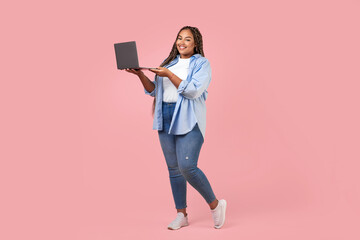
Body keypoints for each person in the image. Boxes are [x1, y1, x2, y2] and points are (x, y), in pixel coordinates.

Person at [122, 26, 227, 230]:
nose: (182, 42)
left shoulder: (202, 64)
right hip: (166, 116)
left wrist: (169, 74)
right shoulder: (169, 63)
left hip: (189, 117)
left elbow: (194, 90)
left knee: (187, 167)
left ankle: (215, 205)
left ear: (196, 43)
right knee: (174, 169)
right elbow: (154, 92)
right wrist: (139, 75)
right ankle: (182, 214)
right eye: (180, 38)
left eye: (188, 39)